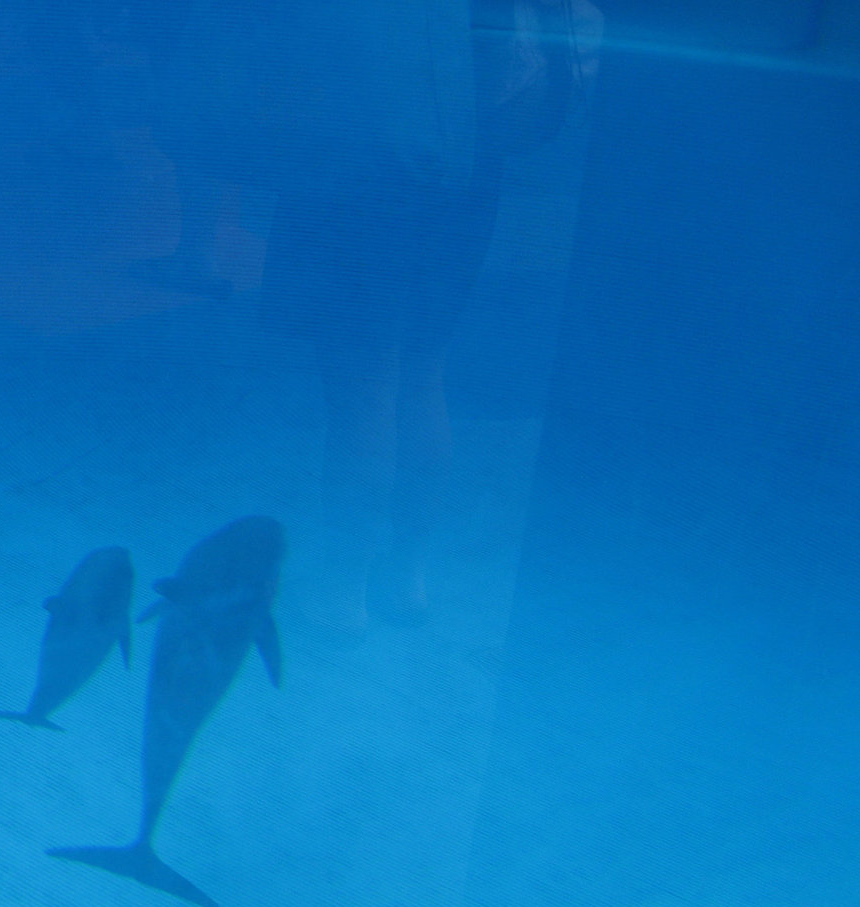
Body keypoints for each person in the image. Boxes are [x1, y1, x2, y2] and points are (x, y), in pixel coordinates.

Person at [149, 0, 599, 631]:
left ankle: (342, 590)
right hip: (464, 169)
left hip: (354, 161)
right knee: (422, 373)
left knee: (361, 388)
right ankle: (407, 576)